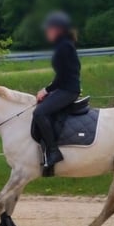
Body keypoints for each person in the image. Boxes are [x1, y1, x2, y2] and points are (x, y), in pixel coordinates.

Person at [33, 11, 81, 170]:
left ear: (58, 29)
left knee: (39, 113)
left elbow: (63, 75)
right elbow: (62, 75)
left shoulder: (64, 47)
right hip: (66, 87)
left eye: (49, 29)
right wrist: (48, 89)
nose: (47, 32)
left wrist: (47, 90)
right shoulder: (64, 45)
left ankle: (54, 152)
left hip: (68, 90)